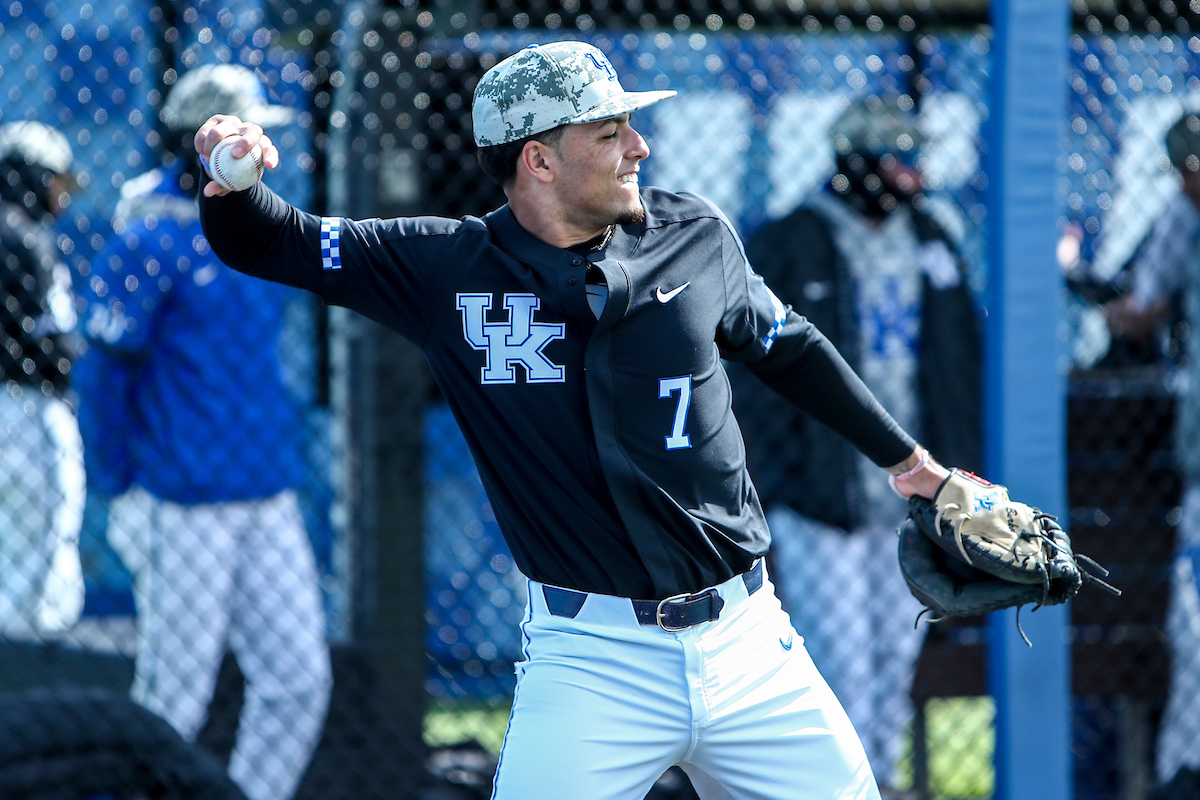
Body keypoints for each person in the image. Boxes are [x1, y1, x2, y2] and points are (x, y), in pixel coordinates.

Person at [195, 41, 960, 800]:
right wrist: (231, 173)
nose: (640, 146)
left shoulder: (694, 235)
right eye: (609, 133)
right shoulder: (449, 268)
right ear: (539, 160)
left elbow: (790, 349)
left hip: (748, 643)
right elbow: (271, 239)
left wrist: (911, 465)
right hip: (594, 661)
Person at [72, 64, 331, 800]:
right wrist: (116, 485)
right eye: (245, 134)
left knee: (298, 681)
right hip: (178, 498)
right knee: (172, 699)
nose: (261, 149)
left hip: (265, 488)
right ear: (202, 142)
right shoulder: (147, 237)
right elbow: (103, 375)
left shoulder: (261, 224)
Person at [729, 98, 982, 794]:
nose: (912, 175)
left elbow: (959, 361)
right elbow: (752, 377)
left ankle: (878, 783)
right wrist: (777, 483)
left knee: (894, 665)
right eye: (898, 160)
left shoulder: (930, 234)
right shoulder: (793, 239)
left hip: (910, 497)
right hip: (822, 496)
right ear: (857, 164)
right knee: (839, 660)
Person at [1104, 110, 1200, 798]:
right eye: (1185, 171)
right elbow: (1141, 310)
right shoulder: (1182, 215)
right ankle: (1182, 776)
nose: (1190, 182)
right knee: (1192, 634)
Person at [0, 120, 86, 637]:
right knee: (39, 552)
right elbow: (49, 347)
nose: (61, 197)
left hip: (19, 404)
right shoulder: (21, 236)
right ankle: (31, 681)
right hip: (24, 409)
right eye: (54, 181)